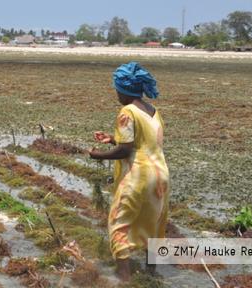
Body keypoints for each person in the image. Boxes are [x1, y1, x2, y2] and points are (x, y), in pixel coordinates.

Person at [88, 61, 169, 282]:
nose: (116, 94)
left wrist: (98, 155)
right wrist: (112, 138)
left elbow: (125, 151)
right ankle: (152, 274)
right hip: (160, 174)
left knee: (118, 223)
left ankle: (124, 277)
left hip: (138, 176)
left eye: (116, 89)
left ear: (123, 89)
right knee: (153, 223)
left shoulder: (126, 112)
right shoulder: (153, 111)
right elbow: (144, 142)